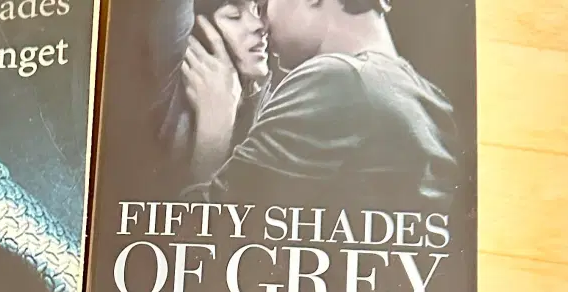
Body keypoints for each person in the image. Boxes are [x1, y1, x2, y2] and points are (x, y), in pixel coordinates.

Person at [183, 0, 459, 211]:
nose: (262, 24)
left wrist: (213, 131)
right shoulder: (428, 96)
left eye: (265, 6)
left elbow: (205, 224)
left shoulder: (338, 79)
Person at [154, 0, 271, 186]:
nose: (260, 25)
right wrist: (215, 132)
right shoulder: (166, 101)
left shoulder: (269, 107)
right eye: (234, 16)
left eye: (256, 10)